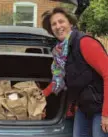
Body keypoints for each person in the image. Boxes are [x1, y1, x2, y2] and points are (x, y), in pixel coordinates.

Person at [41, 7, 108, 137]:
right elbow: (59, 81)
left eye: (61, 21)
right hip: (84, 108)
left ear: (70, 23)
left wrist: (106, 114)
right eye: (54, 24)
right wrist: (40, 95)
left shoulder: (84, 42)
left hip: (100, 108)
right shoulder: (61, 52)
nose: (58, 26)